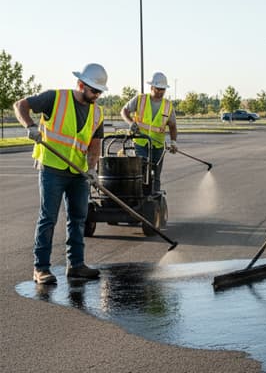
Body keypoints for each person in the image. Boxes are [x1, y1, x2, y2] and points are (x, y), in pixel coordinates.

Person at [13, 64, 107, 284]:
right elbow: (20, 105)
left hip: (78, 171)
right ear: (81, 84)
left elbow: (94, 144)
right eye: (94, 91)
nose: (97, 95)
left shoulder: (97, 112)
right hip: (52, 167)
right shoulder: (56, 98)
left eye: (100, 92)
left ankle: (76, 265)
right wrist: (30, 126)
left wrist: (93, 168)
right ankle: (41, 269)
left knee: (78, 218)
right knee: (49, 218)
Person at [120, 72, 177, 192]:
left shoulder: (168, 105)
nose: (161, 92)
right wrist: (131, 123)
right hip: (140, 142)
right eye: (158, 89)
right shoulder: (141, 99)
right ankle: (140, 197)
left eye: (163, 89)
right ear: (152, 87)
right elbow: (124, 111)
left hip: (158, 145)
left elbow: (172, 126)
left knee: (156, 175)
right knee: (142, 169)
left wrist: (173, 142)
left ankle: (155, 202)